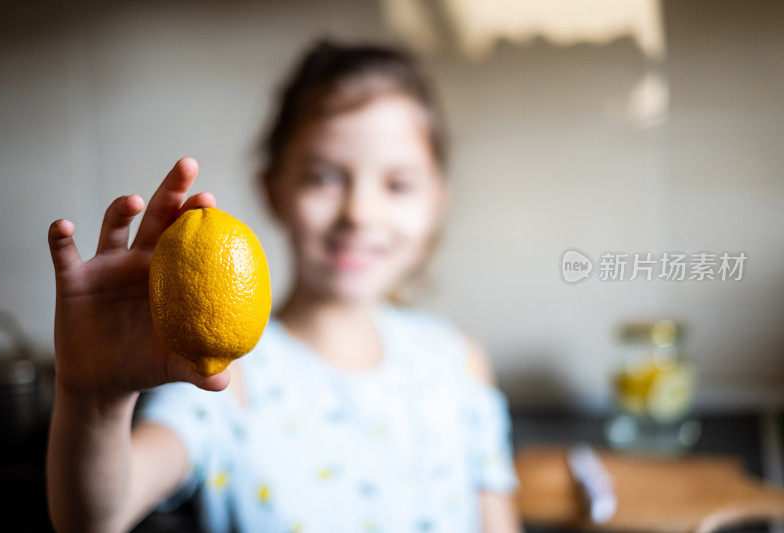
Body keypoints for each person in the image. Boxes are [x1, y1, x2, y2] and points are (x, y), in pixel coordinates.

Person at [46, 39, 521, 533]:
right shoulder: (221, 376)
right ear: (274, 190)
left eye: (397, 185)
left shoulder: (457, 362)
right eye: (324, 178)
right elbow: (98, 516)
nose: (359, 213)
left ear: (437, 202)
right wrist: (94, 401)